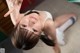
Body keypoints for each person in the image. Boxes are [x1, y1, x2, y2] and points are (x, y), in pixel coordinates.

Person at [4, 0, 77, 53]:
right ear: (40, 34)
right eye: (34, 30)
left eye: (24, 25)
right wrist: (56, 47)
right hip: (49, 24)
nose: (31, 22)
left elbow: (10, 2)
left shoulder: (16, 20)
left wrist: (11, 4)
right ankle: (59, 32)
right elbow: (54, 40)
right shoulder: (48, 24)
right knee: (73, 16)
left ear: (17, 24)